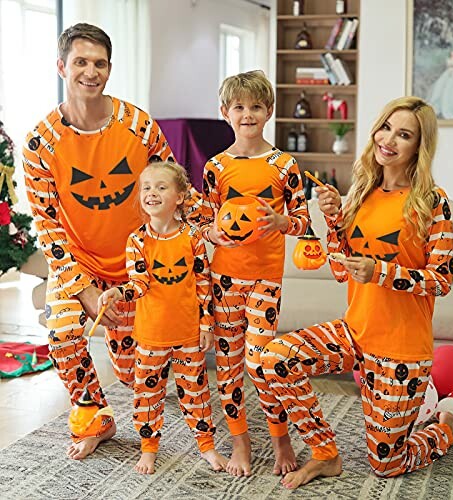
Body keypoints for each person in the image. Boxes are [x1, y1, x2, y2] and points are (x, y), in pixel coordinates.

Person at [261, 96, 453, 489]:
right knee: (273, 358)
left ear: (419, 147)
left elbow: (441, 280)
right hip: (354, 333)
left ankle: (447, 421)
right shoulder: (361, 193)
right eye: (386, 127)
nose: (389, 139)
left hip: (402, 349)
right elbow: (339, 270)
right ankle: (325, 454)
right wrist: (334, 219)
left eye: (404, 134)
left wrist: (380, 272)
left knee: (387, 464)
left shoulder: (433, 202)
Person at [22, 23, 198, 460]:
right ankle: (94, 417)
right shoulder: (40, 143)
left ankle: (146, 388)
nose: (90, 71)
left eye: (99, 63)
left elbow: (177, 187)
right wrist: (84, 291)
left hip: (138, 262)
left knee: (133, 375)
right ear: (62, 66)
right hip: (78, 263)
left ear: (110, 69)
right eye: (80, 62)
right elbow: (48, 227)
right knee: (63, 334)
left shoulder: (138, 125)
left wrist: (214, 227)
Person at [200, 70, 310, 477]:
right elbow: (205, 221)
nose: (248, 114)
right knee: (227, 364)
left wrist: (283, 222)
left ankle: (281, 438)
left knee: (260, 362)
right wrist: (211, 231)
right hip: (224, 279)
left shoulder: (285, 165)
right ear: (225, 112)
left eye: (256, 107)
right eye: (239, 107)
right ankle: (240, 442)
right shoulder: (216, 166)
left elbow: (302, 220)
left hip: (266, 280)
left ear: (269, 112)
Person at [97, 162, 227, 474]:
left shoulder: (193, 238)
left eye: (161, 187)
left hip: (187, 335)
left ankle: (206, 446)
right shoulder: (137, 241)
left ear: (180, 196)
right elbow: (139, 285)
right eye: (146, 187)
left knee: (196, 394)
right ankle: (149, 448)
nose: (152, 193)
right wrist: (118, 292)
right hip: (150, 335)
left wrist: (206, 324)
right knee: (147, 395)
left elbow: (203, 284)